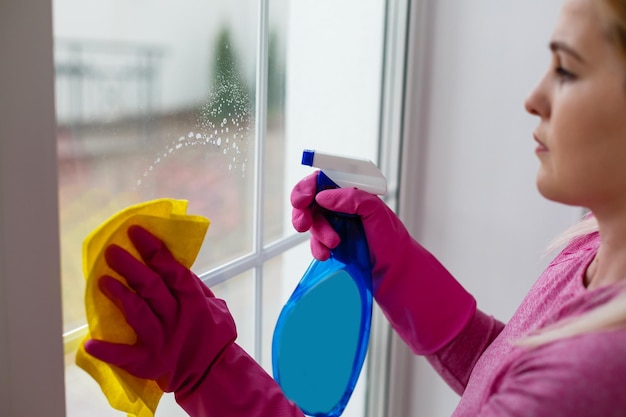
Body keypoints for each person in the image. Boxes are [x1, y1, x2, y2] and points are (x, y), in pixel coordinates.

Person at [84, 0, 626, 415]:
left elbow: (545, 388)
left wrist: (206, 369)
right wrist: (398, 270)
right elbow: (507, 372)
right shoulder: (593, 244)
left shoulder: (600, 367)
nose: (534, 97)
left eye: (567, 70)